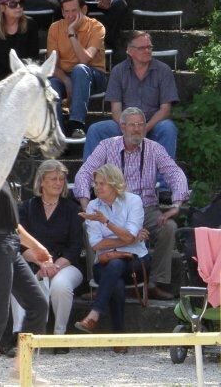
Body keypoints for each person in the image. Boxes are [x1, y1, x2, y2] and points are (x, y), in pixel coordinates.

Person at [74, 107, 189, 300]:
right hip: (113, 209)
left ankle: (153, 283)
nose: (137, 129)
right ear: (123, 126)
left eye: (141, 125)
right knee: (87, 226)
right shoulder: (106, 146)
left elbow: (175, 173)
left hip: (146, 210)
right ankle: (97, 284)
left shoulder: (154, 148)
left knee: (169, 227)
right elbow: (85, 172)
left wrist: (176, 204)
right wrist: (86, 204)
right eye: (132, 125)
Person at [0, 184, 50, 385]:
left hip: (11, 244)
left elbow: (13, 223)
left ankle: (21, 368)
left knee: (38, 304)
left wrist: (36, 246)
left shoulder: (3, 174)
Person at [74, 164, 151, 342]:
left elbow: (128, 235)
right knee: (115, 276)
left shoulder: (133, 201)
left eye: (103, 183)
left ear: (115, 184)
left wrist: (106, 222)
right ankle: (118, 338)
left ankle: (94, 315)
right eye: (96, 183)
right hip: (105, 261)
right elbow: (96, 244)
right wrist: (129, 239)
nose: (97, 187)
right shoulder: (93, 206)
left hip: (136, 260)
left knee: (115, 266)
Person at [13, 160, 85, 346]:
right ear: (41, 182)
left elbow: (76, 246)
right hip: (34, 262)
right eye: (53, 178)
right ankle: (22, 338)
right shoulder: (27, 208)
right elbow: (21, 244)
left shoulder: (72, 209)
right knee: (20, 282)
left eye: (61, 179)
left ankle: (59, 337)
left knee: (61, 285)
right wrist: (41, 263)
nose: (58, 183)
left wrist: (55, 265)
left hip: (66, 264)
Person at [83, 31, 179, 159]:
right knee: (96, 130)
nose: (147, 50)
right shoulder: (118, 71)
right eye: (142, 48)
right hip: (125, 126)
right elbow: (116, 110)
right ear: (130, 51)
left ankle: (163, 179)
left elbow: (165, 110)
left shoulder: (163, 70)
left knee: (168, 128)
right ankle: (89, 177)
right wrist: (127, 128)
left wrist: (144, 128)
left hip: (152, 125)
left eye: (149, 47)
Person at [46, 0, 107, 138]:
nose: (70, 15)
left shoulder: (96, 27)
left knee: (80, 70)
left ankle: (76, 125)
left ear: (84, 10)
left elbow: (85, 59)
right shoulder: (55, 28)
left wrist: (72, 32)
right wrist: (67, 81)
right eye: (66, 11)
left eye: (74, 11)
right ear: (62, 12)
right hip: (64, 75)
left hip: (92, 74)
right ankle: (58, 135)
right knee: (51, 84)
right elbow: (51, 63)